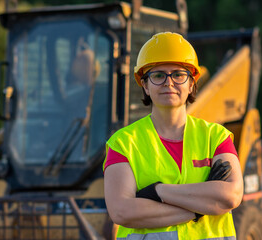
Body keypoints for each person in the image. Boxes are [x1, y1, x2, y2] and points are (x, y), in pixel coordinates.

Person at [103, 32, 243, 240]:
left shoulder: (216, 137)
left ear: (192, 83)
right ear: (145, 85)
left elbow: (230, 196)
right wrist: (199, 209)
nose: (169, 82)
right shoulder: (123, 143)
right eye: (158, 75)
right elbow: (122, 211)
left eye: (178, 74)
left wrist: (159, 192)